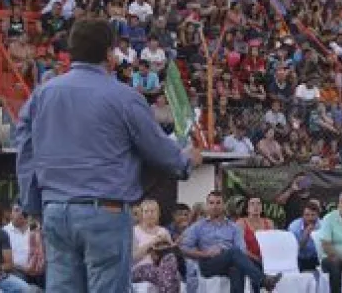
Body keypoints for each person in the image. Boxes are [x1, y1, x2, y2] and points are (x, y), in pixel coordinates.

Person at [14, 19, 202, 293]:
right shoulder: (124, 97)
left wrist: (34, 206)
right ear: (109, 54)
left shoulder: (42, 95)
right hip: (105, 211)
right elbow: (158, 150)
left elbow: (25, 152)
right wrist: (186, 160)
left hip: (55, 209)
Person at [179, 191, 279, 293]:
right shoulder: (199, 226)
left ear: (223, 205)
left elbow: (242, 250)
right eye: (211, 203)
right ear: (207, 205)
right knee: (234, 252)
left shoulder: (233, 227)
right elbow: (183, 248)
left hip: (229, 262)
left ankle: (263, 281)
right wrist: (205, 254)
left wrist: (226, 252)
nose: (215, 206)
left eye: (218, 203)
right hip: (208, 263)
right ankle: (263, 281)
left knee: (236, 267)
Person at [132, 199, 180, 293]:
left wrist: (170, 243)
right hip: (140, 268)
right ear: (141, 214)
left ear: (158, 214)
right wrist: (153, 242)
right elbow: (133, 257)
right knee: (166, 275)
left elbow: (171, 253)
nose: (150, 214)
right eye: (146, 211)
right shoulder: (134, 231)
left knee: (170, 265)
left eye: (153, 211)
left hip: (162, 267)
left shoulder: (163, 231)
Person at [2, 203, 44, 288]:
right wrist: (24, 268)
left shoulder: (37, 230)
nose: (20, 213)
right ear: (11, 214)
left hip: (38, 271)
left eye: (23, 211)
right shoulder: (3, 232)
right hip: (15, 270)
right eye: (17, 210)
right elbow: (2, 260)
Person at [236, 197, 274, 267]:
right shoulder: (241, 223)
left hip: (267, 258)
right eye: (252, 204)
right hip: (249, 258)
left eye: (259, 204)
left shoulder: (269, 222)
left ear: (262, 208)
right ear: (247, 209)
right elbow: (240, 247)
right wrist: (256, 258)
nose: (256, 206)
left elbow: (273, 244)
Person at [287, 202, 322, 272]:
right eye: (307, 215)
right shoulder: (294, 227)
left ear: (318, 216)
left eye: (313, 215)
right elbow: (295, 250)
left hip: (317, 257)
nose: (310, 218)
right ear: (302, 216)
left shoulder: (323, 225)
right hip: (300, 258)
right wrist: (306, 234)